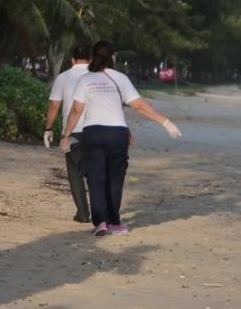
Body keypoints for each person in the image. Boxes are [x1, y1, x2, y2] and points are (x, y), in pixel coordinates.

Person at [61, 40, 182, 236]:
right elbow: (139, 106)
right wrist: (165, 122)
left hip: (92, 133)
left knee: (96, 178)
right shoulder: (121, 78)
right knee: (115, 179)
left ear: (93, 57)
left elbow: (76, 111)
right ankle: (114, 222)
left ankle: (100, 222)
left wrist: (66, 136)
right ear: (113, 58)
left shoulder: (85, 80)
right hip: (117, 134)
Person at [43, 44, 92, 223]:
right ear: (91, 59)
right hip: (98, 130)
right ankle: (101, 213)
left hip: (74, 132)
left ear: (72, 59)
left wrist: (48, 128)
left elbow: (54, 105)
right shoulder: (98, 75)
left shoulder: (64, 77)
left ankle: (83, 214)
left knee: (76, 174)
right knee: (96, 173)